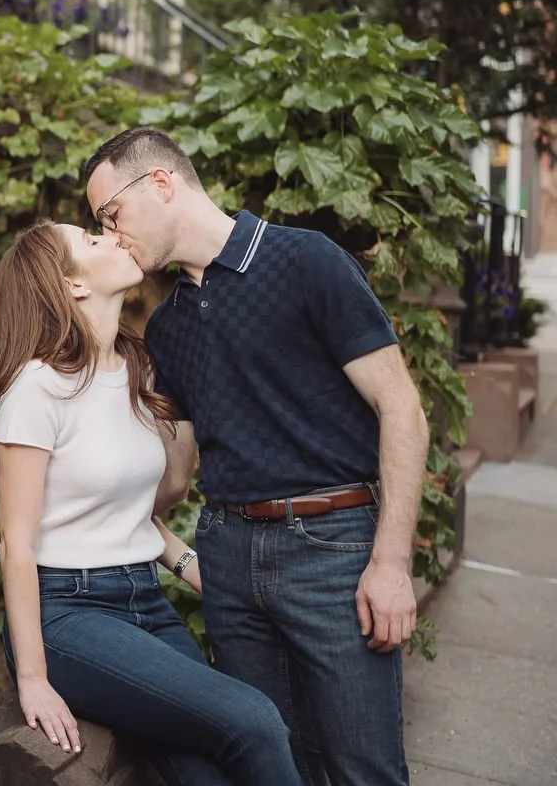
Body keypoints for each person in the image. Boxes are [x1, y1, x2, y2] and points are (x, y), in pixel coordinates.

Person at [83, 127, 429, 786]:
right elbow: (177, 477)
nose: (111, 232)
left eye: (111, 214)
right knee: (271, 768)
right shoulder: (167, 326)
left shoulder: (307, 262)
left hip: (332, 551)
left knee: (366, 770)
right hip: (227, 558)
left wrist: (390, 561)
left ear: (160, 182)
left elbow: (401, 410)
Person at [0, 220, 302, 786]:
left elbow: (122, 512)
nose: (114, 238)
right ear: (71, 284)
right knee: (255, 720)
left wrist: (188, 566)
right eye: (93, 242)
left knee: (205, 772)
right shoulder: (35, 389)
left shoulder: (136, 370)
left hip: (145, 602)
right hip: (69, 615)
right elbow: (17, 544)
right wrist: (32, 676)